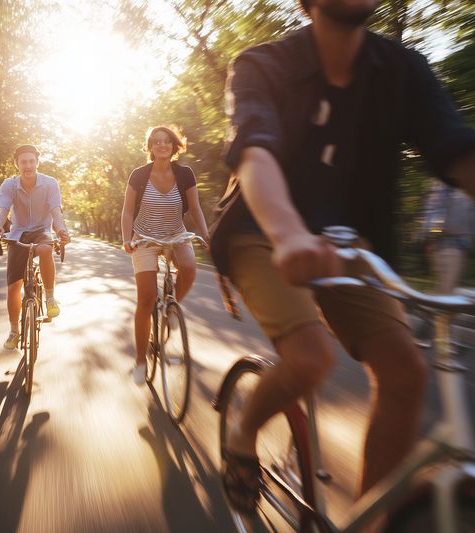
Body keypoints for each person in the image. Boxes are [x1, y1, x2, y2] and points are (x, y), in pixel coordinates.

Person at [208, 0, 475, 516]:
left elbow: (455, 148)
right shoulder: (262, 64)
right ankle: (242, 431)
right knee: (310, 357)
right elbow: (255, 150)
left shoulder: (403, 70)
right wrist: (287, 234)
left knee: (406, 372)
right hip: (264, 231)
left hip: (346, 240)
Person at [120, 125, 209, 385]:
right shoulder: (139, 175)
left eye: (166, 141)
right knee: (146, 299)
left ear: (174, 146)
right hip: (145, 238)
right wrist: (127, 238)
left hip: (176, 234)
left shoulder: (185, 174)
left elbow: (195, 208)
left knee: (189, 269)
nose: (162, 145)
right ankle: (139, 359)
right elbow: (127, 212)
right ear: (150, 147)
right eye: (156, 142)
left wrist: (205, 234)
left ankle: (170, 310)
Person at [0, 144, 71, 350]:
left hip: (42, 230)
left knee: (45, 249)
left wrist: (61, 230)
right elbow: (3, 210)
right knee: (13, 287)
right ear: (16, 164)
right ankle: (14, 331)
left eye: (31, 161)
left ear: (37, 162)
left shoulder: (50, 184)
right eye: (23, 162)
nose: (27, 166)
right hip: (18, 234)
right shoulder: (9, 185)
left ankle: (51, 298)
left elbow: (55, 211)